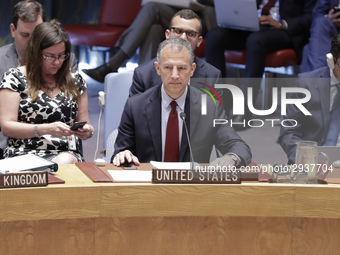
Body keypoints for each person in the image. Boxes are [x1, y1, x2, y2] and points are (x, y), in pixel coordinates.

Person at [112, 37, 251, 167]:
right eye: (167, 67)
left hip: (192, 187)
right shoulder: (135, 105)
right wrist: (123, 155)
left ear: (192, 70)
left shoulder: (209, 106)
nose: (174, 75)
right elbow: (120, 152)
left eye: (181, 68)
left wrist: (231, 157)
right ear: (157, 68)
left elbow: (239, 146)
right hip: (149, 186)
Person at [204, 0, 316, 126]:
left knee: (255, 41)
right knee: (214, 37)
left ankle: (244, 108)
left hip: (284, 31)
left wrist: (281, 23)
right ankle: (218, 105)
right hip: (252, 27)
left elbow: (312, 16)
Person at [0, 20, 95, 164]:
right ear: (36, 53)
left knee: (64, 161)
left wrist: (87, 131)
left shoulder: (75, 80)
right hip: (22, 153)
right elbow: (7, 127)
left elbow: (86, 123)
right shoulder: (14, 78)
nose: (57, 62)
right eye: (49, 56)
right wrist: (45, 129)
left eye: (62, 56)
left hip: (65, 152)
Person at [82, 1, 217, 83]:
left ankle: (116, 62)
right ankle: (148, 85)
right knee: (154, 29)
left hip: (200, 18)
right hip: (175, 11)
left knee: (151, 8)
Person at [129, 9, 221, 97]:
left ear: (199, 41)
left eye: (191, 34)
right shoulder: (143, 74)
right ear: (168, 35)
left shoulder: (212, 76)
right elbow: (134, 112)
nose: (183, 38)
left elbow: (215, 113)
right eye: (178, 31)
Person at [279, 34, 340, 164]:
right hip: (312, 162)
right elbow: (289, 131)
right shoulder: (306, 83)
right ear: (331, 61)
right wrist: (305, 159)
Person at [301, 0, 340, 72]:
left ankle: (316, 80)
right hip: (331, 31)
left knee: (308, 49)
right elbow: (318, 13)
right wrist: (328, 19)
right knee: (320, 22)